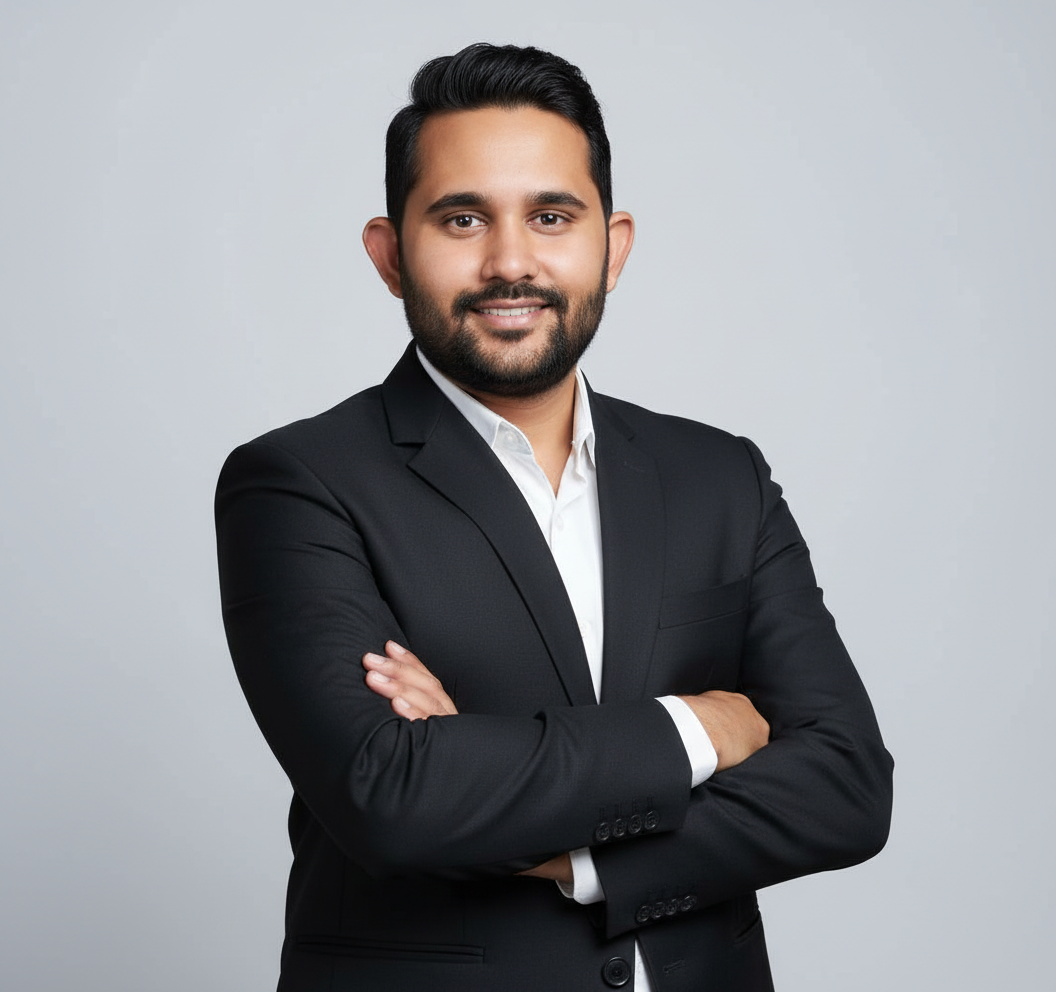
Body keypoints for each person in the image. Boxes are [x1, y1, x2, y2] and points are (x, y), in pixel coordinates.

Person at [215, 42, 893, 992]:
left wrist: (565, 851)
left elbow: (847, 787)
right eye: (462, 218)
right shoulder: (296, 482)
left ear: (613, 247)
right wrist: (702, 728)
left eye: (551, 216)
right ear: (389, 254)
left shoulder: (720, 476)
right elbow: (393, 796)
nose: (511, 262)